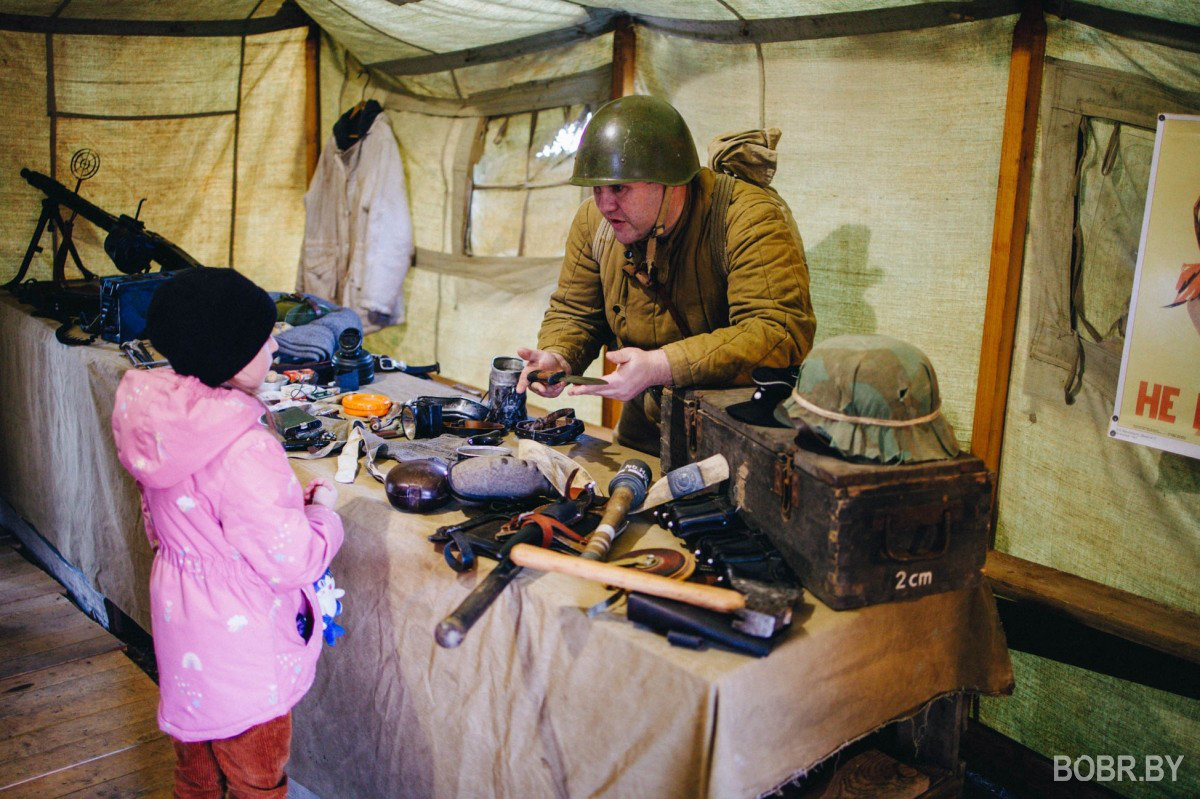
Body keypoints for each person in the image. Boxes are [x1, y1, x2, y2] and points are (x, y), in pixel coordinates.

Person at [111, 267, 345, 799]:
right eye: (266, 339)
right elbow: (290, 561)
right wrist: (323, 518)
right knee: (254, 774)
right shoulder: (244, 445)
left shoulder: (160, 424)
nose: (275, 346)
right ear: (235, 357)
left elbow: (179, 518)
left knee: (197, 768)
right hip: (242, 639)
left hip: (182, 618)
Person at [517, 95, 816, 453]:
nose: (605, 204)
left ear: (669, 182)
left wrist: (662, 364)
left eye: (619, 188)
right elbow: (575, 311)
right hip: (644, 427)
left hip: (735, 431)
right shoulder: (593, 223)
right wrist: (559, 355)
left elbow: (778, 331)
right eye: (597, 188)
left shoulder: (747, 217)